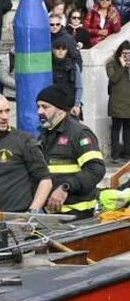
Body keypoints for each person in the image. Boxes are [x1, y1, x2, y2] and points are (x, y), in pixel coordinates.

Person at [36, 84, 105, 218]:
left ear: (61, 109)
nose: (39, 111)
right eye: (38, 107)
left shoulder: (80, 133)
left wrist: (65, 187)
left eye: (45, 107)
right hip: (51, 213)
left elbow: (96, 169)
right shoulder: (44, 135)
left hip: (78, 214)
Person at [108, 41, 130, 161]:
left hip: (128, 102)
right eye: (124, 54)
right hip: (116, 102)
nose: (126, 56)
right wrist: (122, 66)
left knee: (128, 129)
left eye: (129, 54)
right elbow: (113, 79)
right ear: (119, 53)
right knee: (116, 128)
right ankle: (115, 155)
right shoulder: (112, 64)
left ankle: (127, 154)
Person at [50, 38, 83, 116]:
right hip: (54, 107)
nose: (61, 51)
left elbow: (79, 87)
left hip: (70, 107)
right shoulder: (48, 66)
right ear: (53, 50)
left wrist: (76, 105)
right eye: (58, 48)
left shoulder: (73, 66)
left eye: (63, 49)